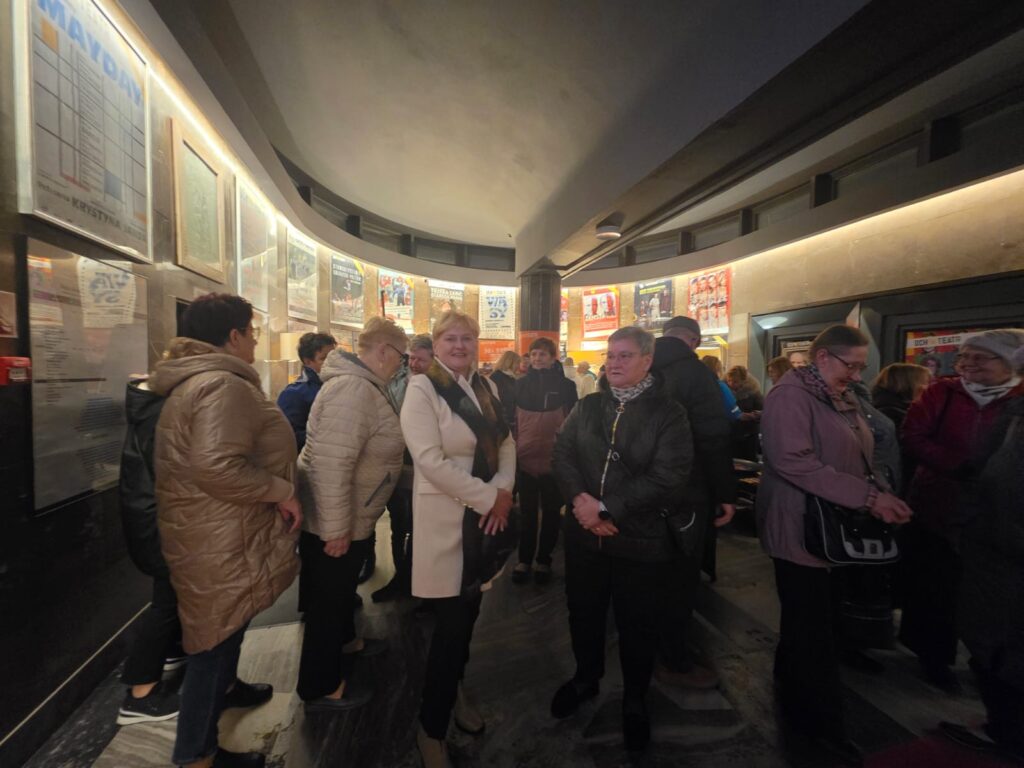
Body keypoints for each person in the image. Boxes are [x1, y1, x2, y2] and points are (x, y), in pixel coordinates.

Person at [151, 293, 302, 768]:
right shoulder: (221, 384)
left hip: (213, 528)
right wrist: (282, 490)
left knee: (223, 626)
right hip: (216, 534)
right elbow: (217, 465)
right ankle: (197, 753)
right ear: (233, 336)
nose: (255, 340)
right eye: (252, 331)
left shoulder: (205, 380)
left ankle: (228, 690)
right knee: (212, 642)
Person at [757, 324, 912, 767]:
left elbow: (860, 451)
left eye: (862, 367)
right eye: (852, 365)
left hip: (829, 522)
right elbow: (793, 461)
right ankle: (820, 727)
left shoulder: (835, 393)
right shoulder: (791, 396)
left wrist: (879, 491)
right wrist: (868, 497)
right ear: (823, 357)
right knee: (814, 629)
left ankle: (793, 693)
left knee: (810, 620)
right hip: (799, 524)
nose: (858, 375)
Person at [550, 326, 693, 753]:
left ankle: (635, 697)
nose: (613, 363)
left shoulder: (669, 413)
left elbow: (668, 476)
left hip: (640, 539)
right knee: (583, 611)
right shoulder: (588, 405)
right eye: (610, 355)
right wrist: (581, 502)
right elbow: (563, 453)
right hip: (584, 536)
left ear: (647, 361)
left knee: (638, 622)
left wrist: (607, 509)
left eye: (625, 355)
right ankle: (585, 677)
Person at [400, 310, 516, 768]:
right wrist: (490, 497)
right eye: (450, 338)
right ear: (436, 344)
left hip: (485, 519)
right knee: (449, 627)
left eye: (467, 338)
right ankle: (430, 728)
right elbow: (429, 460)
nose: (459, 345)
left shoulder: (485, 387)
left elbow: (506, 443)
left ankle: (456, 690)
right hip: (449, 519)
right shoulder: (423, 388)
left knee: (469, 616)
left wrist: (503, 490)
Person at [900, 329, 1024, 693]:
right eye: (964, 357)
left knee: (988, 596)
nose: (968, 364)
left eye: (980, 357)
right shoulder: (941, 393)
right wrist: (956, 465)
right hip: (938, 507)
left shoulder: (1018, 400)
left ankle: (987, 662)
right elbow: (913, 436)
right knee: (934, 588)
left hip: (996, 518)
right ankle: (934, 658)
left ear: (1009, 364)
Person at [296, 318, 408, 710]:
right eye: (401, 356)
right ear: (384, 351)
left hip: (348, 514)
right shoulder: (354, 389)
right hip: (337, 520)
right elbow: (331, 465)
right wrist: (335, 530)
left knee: (339, 595)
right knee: (327, 603)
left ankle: (347, 643)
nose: (402, 364)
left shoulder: (361, 385)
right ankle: (321, 685)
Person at [940, 345, 1024, 761]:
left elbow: (998, 483)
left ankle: (1007, 733)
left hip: (1003, 552)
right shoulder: (1013, 412)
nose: (970, 366)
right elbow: (984, 473)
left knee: (1001, 645)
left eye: (983, 359)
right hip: (991, 548)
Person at [651, 315, 737, 690]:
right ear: (694, 341)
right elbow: (712, 436)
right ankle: (674, 656)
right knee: (681, 575)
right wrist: (725, 493)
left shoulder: (638, 364)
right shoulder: (696, 374)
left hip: (639, 491)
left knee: (645, 569)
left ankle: (641, 644)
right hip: (686, 489)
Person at [116, 376, 181, 726]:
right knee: (166, 602)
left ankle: (171, 653)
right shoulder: (160, 414)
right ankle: (140, 694)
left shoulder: (150, 409)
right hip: (160, 525)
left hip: (151, 520)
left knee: (171, 599)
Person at [511, 337, 577, 585]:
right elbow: (511, 420)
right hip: (525, 459)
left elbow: (573, 422)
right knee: (527, 513)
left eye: (542, 354)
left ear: (552, 357)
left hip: (554, 459)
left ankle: (544, 560)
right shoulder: (519, 385)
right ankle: (524, 559)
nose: (537, 358)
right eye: (533, 354)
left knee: (551, 512)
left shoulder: (566, 386)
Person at [374, 334, 434, 603]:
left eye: (421, 359)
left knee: (423, 526)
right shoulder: (396, 380)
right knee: (399, 523)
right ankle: (401, 578)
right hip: (398, 460)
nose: (414, 364)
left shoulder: (439, 386)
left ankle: (422, 583)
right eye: (411, 358)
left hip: (424, 463)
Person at [276, 332, 337, 452]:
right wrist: (329, 433)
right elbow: (290, 437)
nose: (331, 362)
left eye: (334, 357)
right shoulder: (294, 393)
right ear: (308, 361)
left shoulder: (338, 384)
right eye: (323, 358)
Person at [726, 365, 763, 461]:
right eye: (729, 381)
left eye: (735, 382)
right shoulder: (725, 391)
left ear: (743, 381)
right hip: (730, 434)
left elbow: (762, 410)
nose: (731, 384)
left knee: (749, 461)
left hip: (749, 434)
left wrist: (754, 415)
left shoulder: (754, 392)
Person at [703, 355, 742, 421]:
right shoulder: (720, 386)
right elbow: (731, 408)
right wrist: (740, 414)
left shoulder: (696, 384)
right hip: (719, 422)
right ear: (717, 369)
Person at [489, 350, 521, 428]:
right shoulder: (497, 377)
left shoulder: (511, 378)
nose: (518, 366)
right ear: (510, 362)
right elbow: (495, 400)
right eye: (517, 363)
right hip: (501, 421)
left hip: (511, 419)